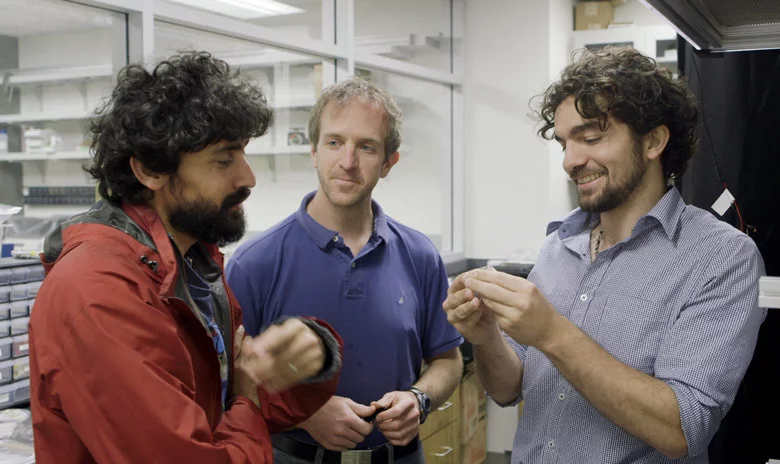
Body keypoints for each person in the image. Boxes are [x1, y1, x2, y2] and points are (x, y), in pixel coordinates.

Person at [444, 47, 765, 463]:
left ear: (653, 140)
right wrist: (485, 334)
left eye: (591, 138)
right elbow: (508, 389)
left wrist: (551, 333)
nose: (571, 161)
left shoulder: (722, 258)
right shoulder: (559, 244)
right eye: (564, 142)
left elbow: (683, 429)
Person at [28, 51, 344, 463]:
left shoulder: (191, 263)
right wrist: (248, 399)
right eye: (223, 160)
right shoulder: (99, 295)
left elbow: (227, 399)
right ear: (150, 171)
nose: (248, 177)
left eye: (243, 154)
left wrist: (313, 352)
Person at [226, 76, 464, 463]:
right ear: (314, 151)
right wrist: (304, 413)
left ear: (389, 162)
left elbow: (447, 360)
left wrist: (419, 399)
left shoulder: (420, 255)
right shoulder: (254, 263)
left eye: (366, 147)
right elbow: (230, 386)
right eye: (334, 142)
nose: (348, 162)